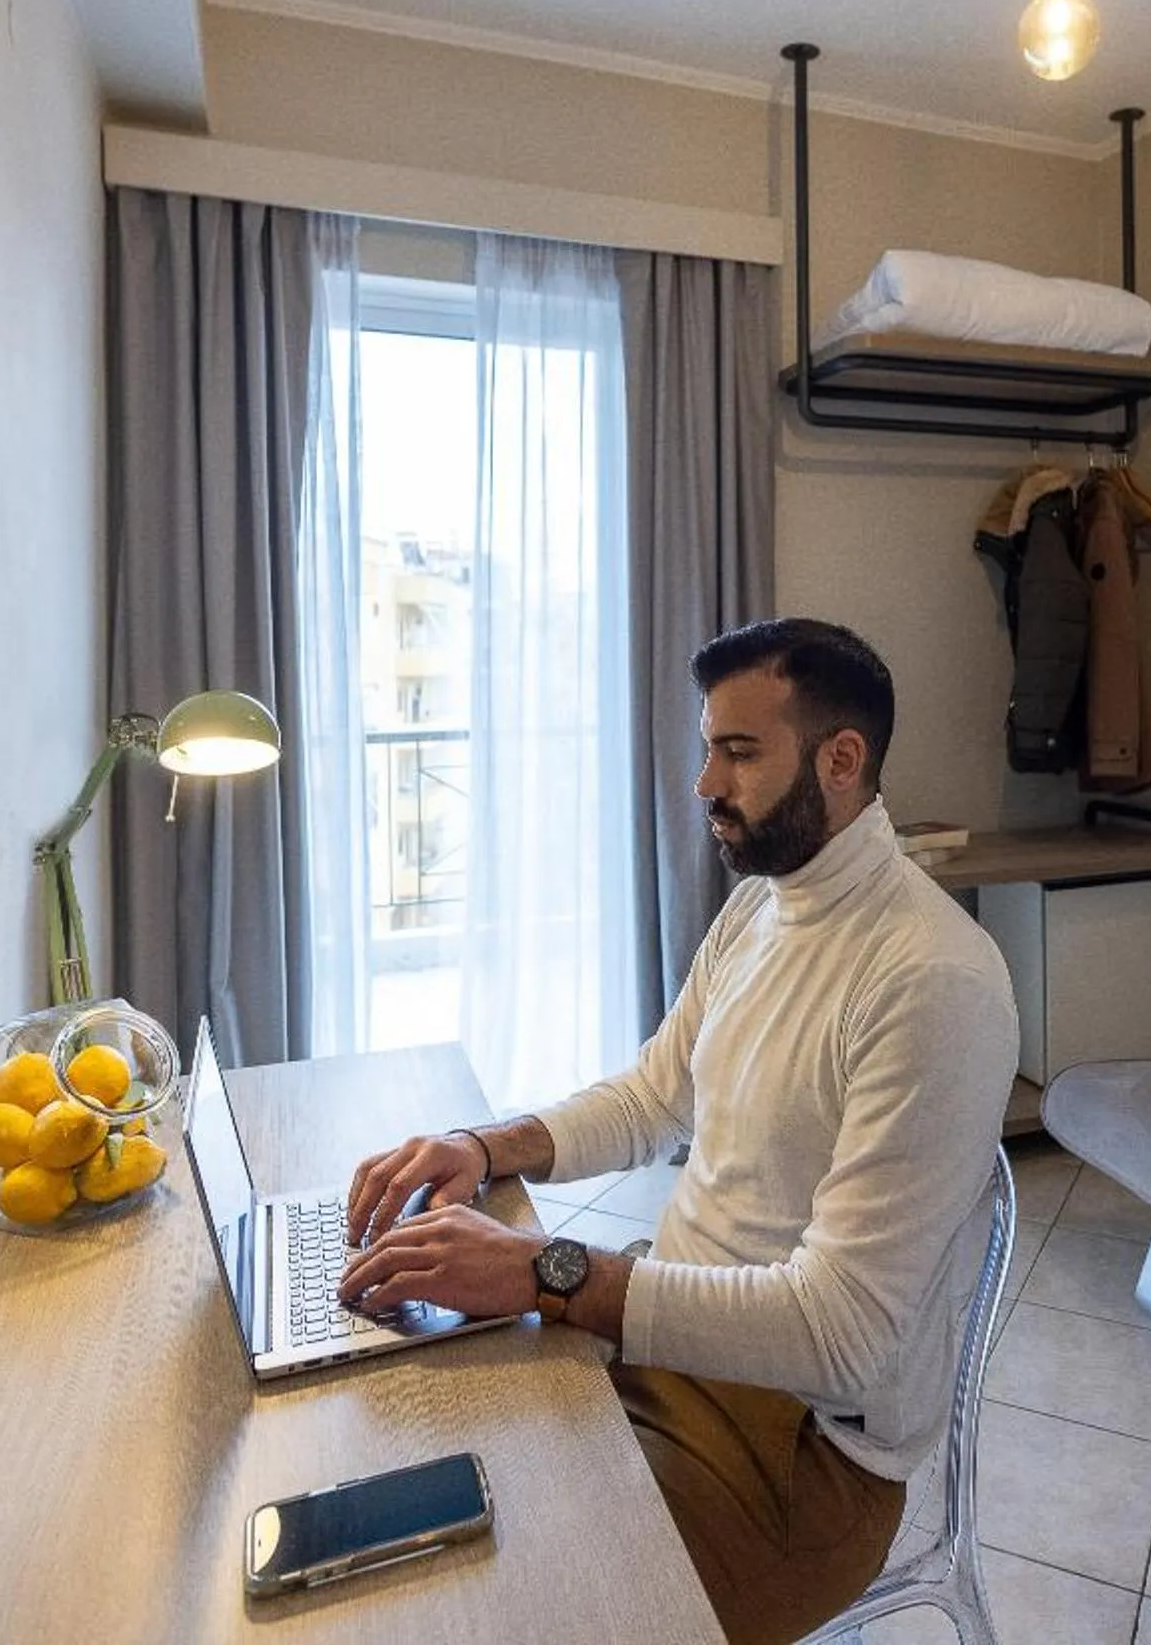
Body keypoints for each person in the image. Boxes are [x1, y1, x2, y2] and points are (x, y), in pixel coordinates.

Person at [340, 617, 1018, 1644]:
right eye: (707, 748)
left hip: (794, 1459)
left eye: (738, 752)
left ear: (841, 761)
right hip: (662, 1354)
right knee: (397, 1458)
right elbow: (655, 1095)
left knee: (488, 1605)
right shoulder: (760, 911)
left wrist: (546, 1272)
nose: (703, 783)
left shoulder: (929, 981)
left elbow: (839, 1335)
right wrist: (481, 1148)